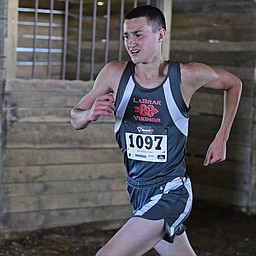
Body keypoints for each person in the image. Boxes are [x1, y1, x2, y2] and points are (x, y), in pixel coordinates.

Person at [70, 4, 242, 256]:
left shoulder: (185, 76)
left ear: (160, 34)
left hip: (171, 190)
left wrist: (221, 137)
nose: (131, 42)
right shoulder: (114, 74)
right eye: (127, 36)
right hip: (138, 190)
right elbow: (75, 118)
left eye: (139, 34)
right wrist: (90, 113)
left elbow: (234, 84)